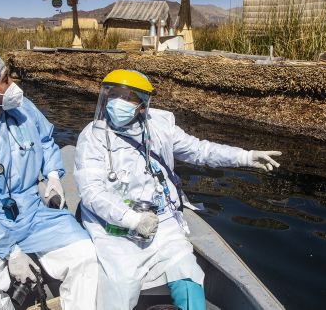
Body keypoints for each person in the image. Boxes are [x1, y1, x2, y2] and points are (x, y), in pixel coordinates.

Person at [74, 69, 282, 310]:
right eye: (113, 95)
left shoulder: (160, 127)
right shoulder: (92, 137)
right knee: (121, 283)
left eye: (127, 97)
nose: (117, 103)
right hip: (114, 224)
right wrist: (132, 219)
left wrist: (245, 157)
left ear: (142, 105)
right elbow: (92, 192)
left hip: (162, 219)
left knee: (187, 273)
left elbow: (200, 150)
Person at [0, 53, 98, 310]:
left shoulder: (19, 107)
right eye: (5, 79)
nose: (13, 82)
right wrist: (11, 252)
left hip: (32, 210)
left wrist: (54, 175)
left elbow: (45, 140)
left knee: (86, 257)